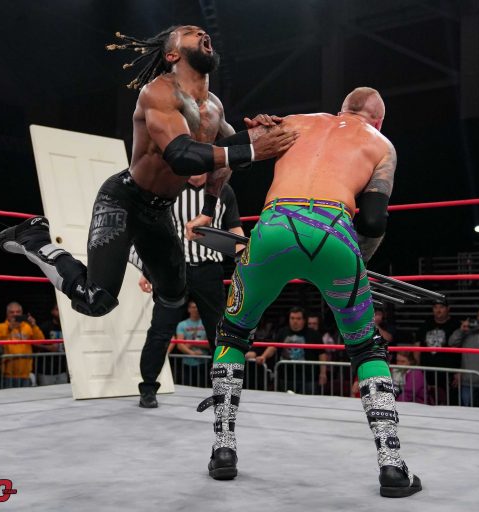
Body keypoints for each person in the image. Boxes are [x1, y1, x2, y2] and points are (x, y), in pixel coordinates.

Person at [190, 87, 421, 496]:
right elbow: (372, 220)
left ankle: (223, 450)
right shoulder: (382, 144)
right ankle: (392, 467)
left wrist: (209, 208)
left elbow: (226, 151)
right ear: (379, 121)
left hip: (273, 229)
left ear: (341, 109)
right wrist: (357, 264)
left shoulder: (295, 122)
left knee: (232, 334)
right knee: (366, 348)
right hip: (334, 233)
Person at [0, 25, 296, 322]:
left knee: (174, 295)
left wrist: (258, 135)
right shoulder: (159, 93)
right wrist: (252, 150)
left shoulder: (214, 106)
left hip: (159, 211)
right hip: (124, 200)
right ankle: (34, 238)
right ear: (172, 54)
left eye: (203, 31)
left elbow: (228, 158)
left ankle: (134, 252)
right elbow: (181, 155)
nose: (202, 33)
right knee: (96, 299)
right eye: (190, 31)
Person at [135, 173, 243, 408]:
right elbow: (155, 231)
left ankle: (224, 390)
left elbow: (235, 227)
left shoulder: (223, 190)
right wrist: (147, 268)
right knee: (160, 330)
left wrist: (244, 257)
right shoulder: (169, 187)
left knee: (219, 332)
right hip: (173, 269)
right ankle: (148, 388)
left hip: (209, 269)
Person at [414, 299, 461, 405]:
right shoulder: (426, 324)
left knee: (448, 403)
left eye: (441, 307)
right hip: (427, 371)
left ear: (448, 309)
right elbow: (417, 346)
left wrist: (459, 371)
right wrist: (418, 366)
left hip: (448, 373)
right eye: (435, 307)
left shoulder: (456, 325)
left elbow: (461, 350)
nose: (438, 310)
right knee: (427, 401)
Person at [0, 302, 44, 389]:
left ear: (22, 313)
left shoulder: (28, 327)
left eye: (18, 312)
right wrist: (9, 329)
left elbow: (40, 341)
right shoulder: (0, 327)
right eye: (12, 312)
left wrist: (34, 326)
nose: (15, 314)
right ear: (7, 314)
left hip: (25, 373)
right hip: (7, 374)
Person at [174, 301, 210, 388]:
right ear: (189, 309)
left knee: (203, 389)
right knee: (187, 388)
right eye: (193, 307)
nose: (195, 309)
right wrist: (193, 353)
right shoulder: (182, 324)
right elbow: (180, 345)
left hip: (204, 362)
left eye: (197, 307)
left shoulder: (207, 323)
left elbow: (210, 344)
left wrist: (190, 343)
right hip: (187, 363)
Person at [34, 303, 69, 386]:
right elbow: (35, 343)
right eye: (57, 309)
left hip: (62, 369)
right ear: (52, 311)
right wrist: (48, 347)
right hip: (46, 370)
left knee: (63, 392)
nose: (60, 312)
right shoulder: (45, 327)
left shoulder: (67, 327)